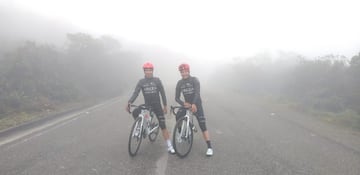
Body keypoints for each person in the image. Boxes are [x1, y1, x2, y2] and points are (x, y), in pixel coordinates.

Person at [126, 62, 175, 154]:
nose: (148, 72)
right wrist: (130, 102)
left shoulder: (157, 80)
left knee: (163, 125)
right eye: (146, 70)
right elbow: (136, 93)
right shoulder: (141, 82)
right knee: (135, 112)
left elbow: (162, 93)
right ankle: (139, 128)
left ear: (152, 71)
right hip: (147, 105)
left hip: (157, 106)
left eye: (150, 70)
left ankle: (169, 145)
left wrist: (165, 105)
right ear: (144, 71)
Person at [175, 63, 213, 156]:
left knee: (202, 125)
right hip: (187, 105)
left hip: (197, 105)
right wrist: (183, 103)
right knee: (178, 115)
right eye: (182, 72)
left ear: (188, 71)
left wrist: (194, 104)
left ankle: (209, 147)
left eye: (185, 71)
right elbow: (176, 98)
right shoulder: (180, 83)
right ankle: (180, 132)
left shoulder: (194, 80)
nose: (183, 73)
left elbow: (197, 93)